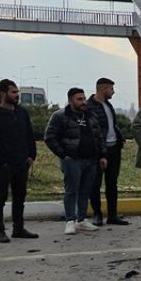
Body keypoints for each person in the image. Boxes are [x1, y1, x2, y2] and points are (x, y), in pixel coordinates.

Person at [0, 79, 38, 242]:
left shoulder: (21, 113)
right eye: (13, 92)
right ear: (2, 94)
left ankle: (18, 228)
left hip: (21, 163)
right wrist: (1, 161)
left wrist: (31, 155)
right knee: (0, 197)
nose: (17, 95)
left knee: (20, 197)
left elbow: (29, 135)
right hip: (2, 166)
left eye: (17, 92)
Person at [45, 87, 105, 235]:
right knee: (71, 191)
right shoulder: (60, 116)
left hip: (90, 160)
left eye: (84, 98)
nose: (83, 102)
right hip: (72, 160)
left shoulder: (91, 116)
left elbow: (99, 137)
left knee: (85, 191)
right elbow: (49, 137)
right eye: (79, 99)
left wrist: (102, 155)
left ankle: (81, 219)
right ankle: (70, 221)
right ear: (71, 100)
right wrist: (63, 153)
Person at [86, 77, 129, 226]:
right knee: (95, 183)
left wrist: (120, 137)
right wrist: (100, 152)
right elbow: (93, 131)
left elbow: (112, 125)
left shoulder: (108, 105)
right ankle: (97, 214)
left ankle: (113, 215)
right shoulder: (89, 107)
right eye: (111, 89)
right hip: (98, 151)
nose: (113, 92)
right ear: (103, 89)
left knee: (112, 183)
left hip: (114, 149)